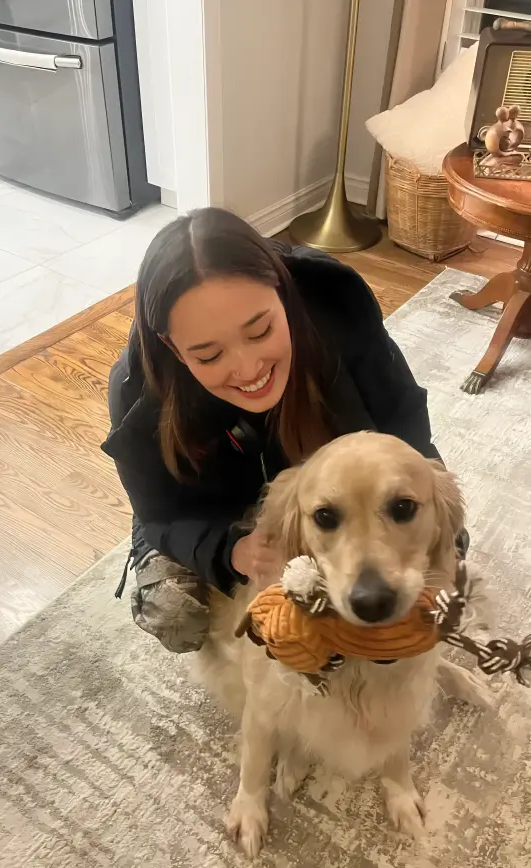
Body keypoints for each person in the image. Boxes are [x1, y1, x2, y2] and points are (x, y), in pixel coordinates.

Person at [102, 207, 464, 652]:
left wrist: (420, 510)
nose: (248, 369)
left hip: (318, 478)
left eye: (260, 331)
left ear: (283, 289)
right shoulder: (135, 395)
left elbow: (405, 426)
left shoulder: (338, 312)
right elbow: (159, 513)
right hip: (204, 506)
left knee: (450, 549)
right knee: (177, 616)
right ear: (171, 347)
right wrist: (231, 550)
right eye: (209, 356)